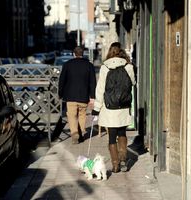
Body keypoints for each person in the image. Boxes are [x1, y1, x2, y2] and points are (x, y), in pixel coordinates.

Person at [92, 42, 136, 173]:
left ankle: (115, 164)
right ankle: (123, 160)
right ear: (121, 51)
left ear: (110, 51)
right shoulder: (128, 66)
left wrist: (97, 107)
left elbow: (100, 89)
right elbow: (132, 83)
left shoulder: (105, 67)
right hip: (123, 106)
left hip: (109, 107)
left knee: (112, 136)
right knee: (122, 132)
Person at [58, 46, 96, 144]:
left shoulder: (67, 64)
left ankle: (74, 132)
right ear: (83, 53)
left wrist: (60, 93)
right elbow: (93, 82)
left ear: (74, 54)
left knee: (71, 115)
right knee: (82, 114)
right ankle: (82, 132)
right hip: (83, 96)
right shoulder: (89, 65)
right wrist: (92, 97)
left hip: (70, 96)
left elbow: (62, 80)